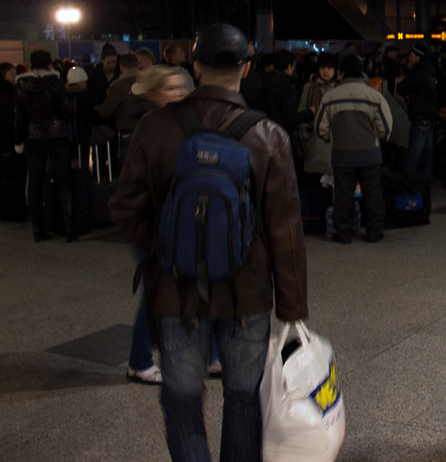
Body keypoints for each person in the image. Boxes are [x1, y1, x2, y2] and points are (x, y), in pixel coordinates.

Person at [109, 23, 308, 461]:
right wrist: (292, 307)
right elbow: (286, 232)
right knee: (242, 398)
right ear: (246, 68)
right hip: (247, 295)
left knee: (181, 399)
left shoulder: (155, 127)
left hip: (174, 291)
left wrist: (165, 244)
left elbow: (124, 207)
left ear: (195, 67)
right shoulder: (268, 135)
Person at [121, 64, 196, 386]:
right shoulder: (147, 126)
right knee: (155, 293)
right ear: (154, 93)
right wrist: (145, 233)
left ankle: (208, 354)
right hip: (151, 225)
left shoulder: (181, 121)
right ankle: (139, 361)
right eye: (170, 88)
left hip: (174, 222)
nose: (178, 93)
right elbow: (132, 188)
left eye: (181, 87)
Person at [316, 54, 393, 243]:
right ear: (361, 72)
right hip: (370, 155)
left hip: (342, 155)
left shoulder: (330, 97)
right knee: (373, 195)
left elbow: (320, 128)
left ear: (341, 73)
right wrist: (377, 138)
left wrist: (333, 138)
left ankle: (343, 234)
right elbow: (385, 127)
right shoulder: (374, 96)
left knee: (343, 196)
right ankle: (375, 233)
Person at [14, 50, 76, 242]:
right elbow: (68, 109)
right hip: (58, 136)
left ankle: (37, 229)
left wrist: (19, 140)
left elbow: (18, 116)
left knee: (35, 183)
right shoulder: (55, 82)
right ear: (49, 63)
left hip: (34, 138)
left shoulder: (21, 84)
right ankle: (69, 228)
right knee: (63, 183)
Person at [396, 42, 438, 179]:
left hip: (420, 116)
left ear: (418, 57)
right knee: (427, 155)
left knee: (413, 155)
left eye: (411, 56)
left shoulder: (418, 72)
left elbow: (401, 88)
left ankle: (409, 184)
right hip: (430, 117)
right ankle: (425, 185)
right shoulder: (431, 71)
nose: (409, 58)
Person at [298, 52, 338, 181]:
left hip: (334, 141)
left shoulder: (338, 88)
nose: (326, 71)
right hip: (314, 142)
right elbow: (302, 111)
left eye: (329, 68)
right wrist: (306, 134)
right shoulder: (310, 87)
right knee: (314, 181)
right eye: (323, 68)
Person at [0, 62, 28, 222]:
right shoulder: (9, 94)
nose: (14, 77)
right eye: (11, 74)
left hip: (9, 142)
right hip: (11, 143)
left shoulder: (11, 92)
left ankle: (10, 210)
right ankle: (15, 210)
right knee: (15, 178)